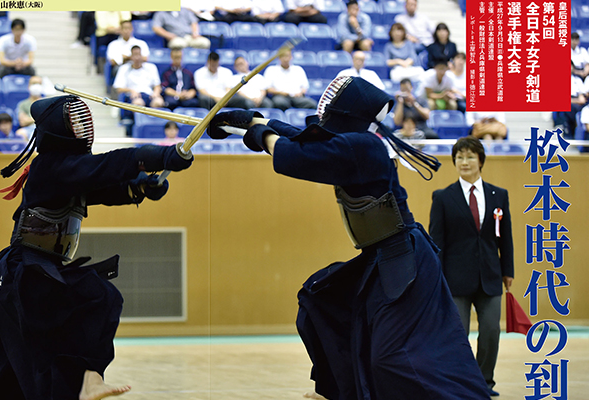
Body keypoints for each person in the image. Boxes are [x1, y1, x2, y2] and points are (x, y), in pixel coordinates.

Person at [206, 76, 489, 400]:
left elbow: (296, 155)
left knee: (392, 357)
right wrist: (257, 123)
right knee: (320, 303)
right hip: (380, 258)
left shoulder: (363, 146)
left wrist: (260, 134)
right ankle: (345, 392)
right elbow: (305, 139)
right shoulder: (356, 142)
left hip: (404, 259)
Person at [0, 95, 193, 400]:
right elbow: (107, 166)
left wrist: (139, 187)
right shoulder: (50, 168)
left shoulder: (68, 172)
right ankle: (89, 381)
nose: (83, 128)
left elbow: (104, 187)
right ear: (60, 129)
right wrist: (160, 157)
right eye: (76, 122)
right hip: (26, 271)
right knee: (99, 297)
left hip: (22, 274)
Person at [429, 136, 514, 397]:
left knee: (490, 331)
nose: (463, 162)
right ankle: (457, 383)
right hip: (455, 279)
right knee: (457, 334)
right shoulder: (443, 197)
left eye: (469, 156)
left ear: (481, 161)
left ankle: (484, 383)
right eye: (459, 157)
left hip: (490, 275)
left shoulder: (499, 195)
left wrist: (508, 270)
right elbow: (436, 241)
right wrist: (436, 277)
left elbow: (505, 236)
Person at [113, 45, 164, 132]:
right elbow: (118, 88)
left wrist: (156, 93)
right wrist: (131, 90)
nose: (137, 57)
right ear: (131, 57)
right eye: (135, 55)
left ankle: (156, 129)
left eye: (138, 55)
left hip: (149, 95)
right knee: (138, 103)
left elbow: (157, 85)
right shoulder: (124, 69)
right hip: (133, 97)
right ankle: (140, 129)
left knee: (159, 102)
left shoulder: (151, 67)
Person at [15, 75, 44, 140]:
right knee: (20, 133)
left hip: (43, 129)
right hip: (28, 129)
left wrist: (30, 119)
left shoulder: (47, 102)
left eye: (39, 84)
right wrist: (41, 118)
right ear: (29, 86)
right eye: (34, 83)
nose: (36, 86)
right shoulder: (23, 104)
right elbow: (23, 122)